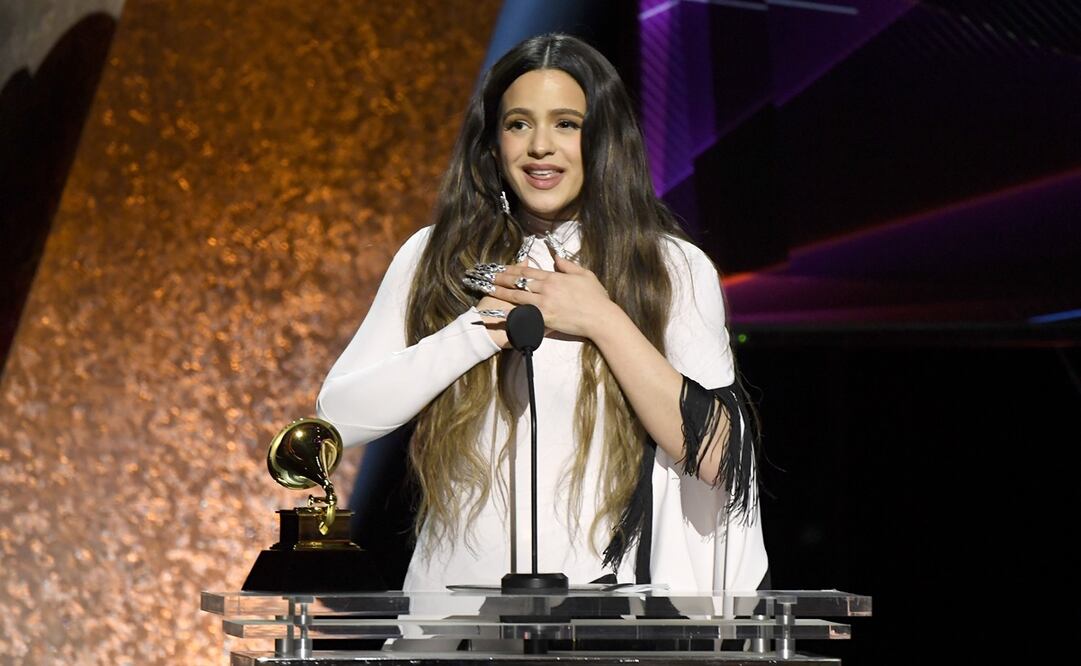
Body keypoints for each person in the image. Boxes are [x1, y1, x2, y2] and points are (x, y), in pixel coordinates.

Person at [316, 33, 767, 595]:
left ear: (603, 139)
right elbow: (338, 417)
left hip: (609, 614)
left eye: (567, 124)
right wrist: (476, 331)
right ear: (493, 143)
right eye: (518, 124)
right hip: (450, 613)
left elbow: (722, 458)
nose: (540, 147)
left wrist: (602, 318)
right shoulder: (434, 256)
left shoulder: (668, 266)